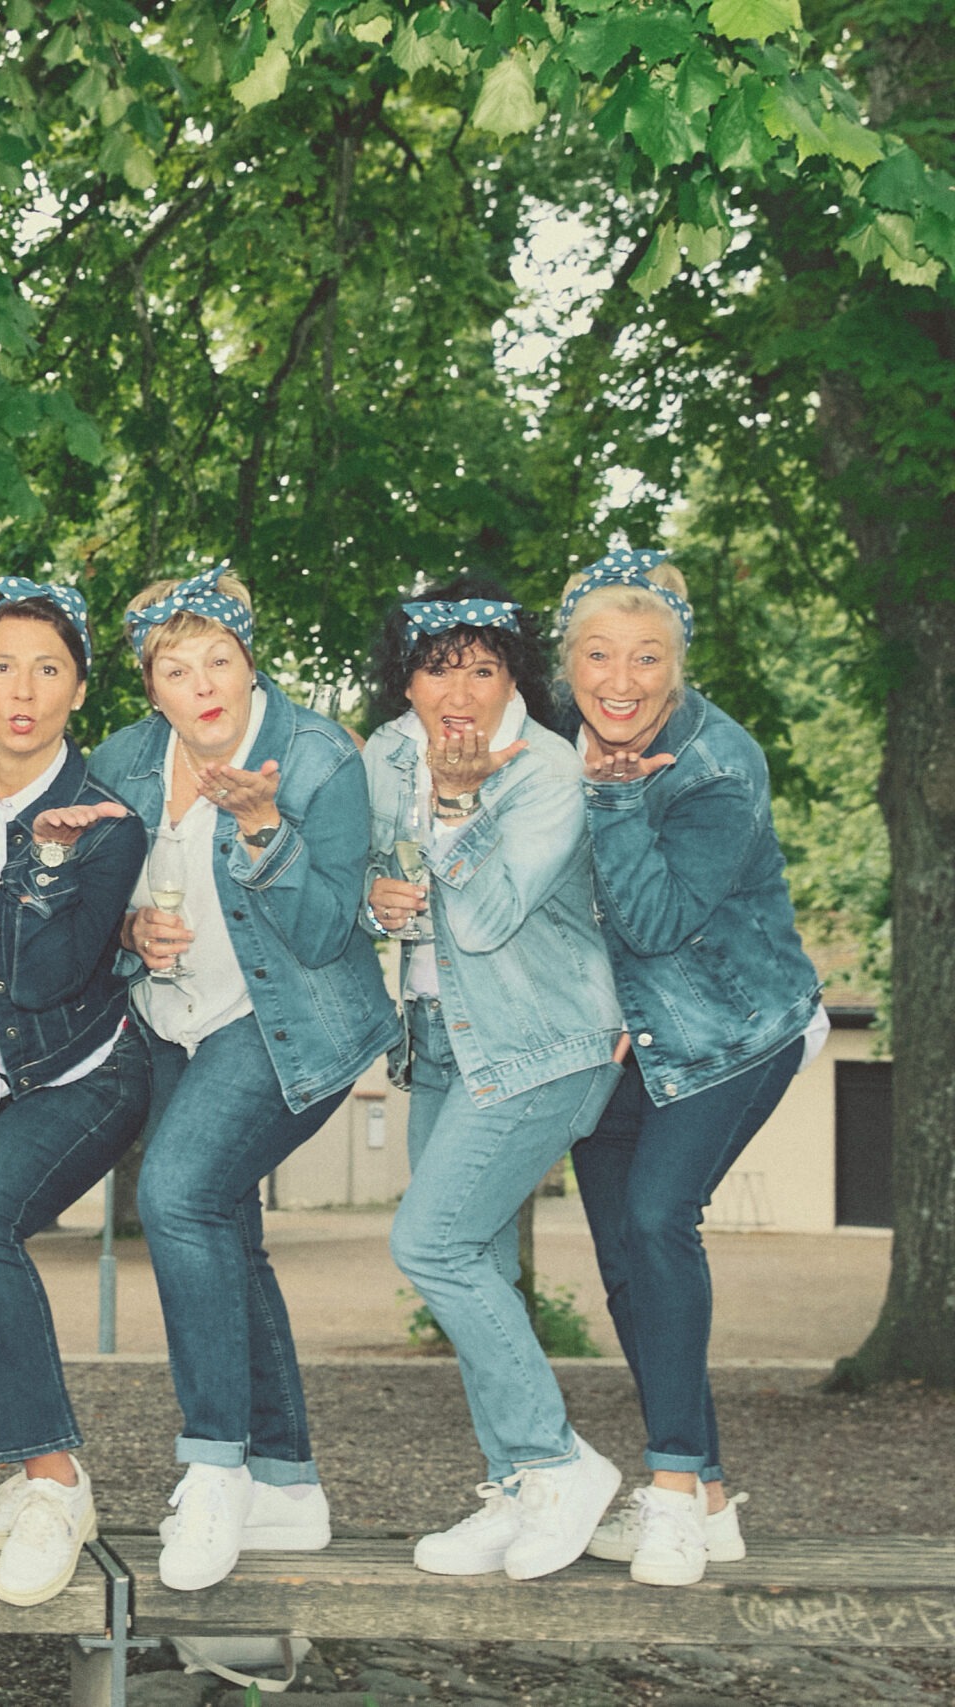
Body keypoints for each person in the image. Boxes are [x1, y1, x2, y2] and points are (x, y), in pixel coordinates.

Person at [87, 565, 398, 1593]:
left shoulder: (313, 757)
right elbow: (94, 905)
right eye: (176, 669)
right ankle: (286, 1484)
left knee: (177, 1196)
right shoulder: (122, 762)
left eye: (218, 660)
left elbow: (325, 930)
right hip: (174, 1025)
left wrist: (264, 828)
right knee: (225, 1231)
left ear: (249, 661)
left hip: (287, 1021)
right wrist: (129, 930)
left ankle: (215, 1467)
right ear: (151, 685)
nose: (203, 685)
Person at [552, 551, 826, 1586]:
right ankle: (707, 1497)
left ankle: (668, 1489)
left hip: (733, 1026)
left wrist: (614, 800)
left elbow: (659, 920)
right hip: (619, 1033)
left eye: (646, 657)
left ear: (677, 665)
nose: (619, 680)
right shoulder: (551, 740)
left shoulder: (718, 766)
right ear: (568, 663)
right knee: (624, 1255)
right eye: (597, 655)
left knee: (660, 1215)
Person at [363, 579, 625, 1582]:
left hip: (541, 1040)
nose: (460, 691)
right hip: (439, 1039)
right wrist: (376, 900)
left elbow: (483, 919)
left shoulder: (548, 769)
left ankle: (558, 1463)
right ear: (408, 681)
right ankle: (516, 1483)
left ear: (514, 677)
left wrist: (458, 804)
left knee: (429, 1244)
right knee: (477, 1264)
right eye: (438, 670)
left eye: (483, 667)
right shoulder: (386, 755)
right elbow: (367, 876)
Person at [0, 577, 149, 1608]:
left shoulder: (108, 822)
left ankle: (58, 1482)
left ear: (77, 691)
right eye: (2, 666)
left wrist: (48, 858)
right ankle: (22, 1465)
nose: (23, 688)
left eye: (48, 669)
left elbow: (51, 976)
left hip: (84, 1071)